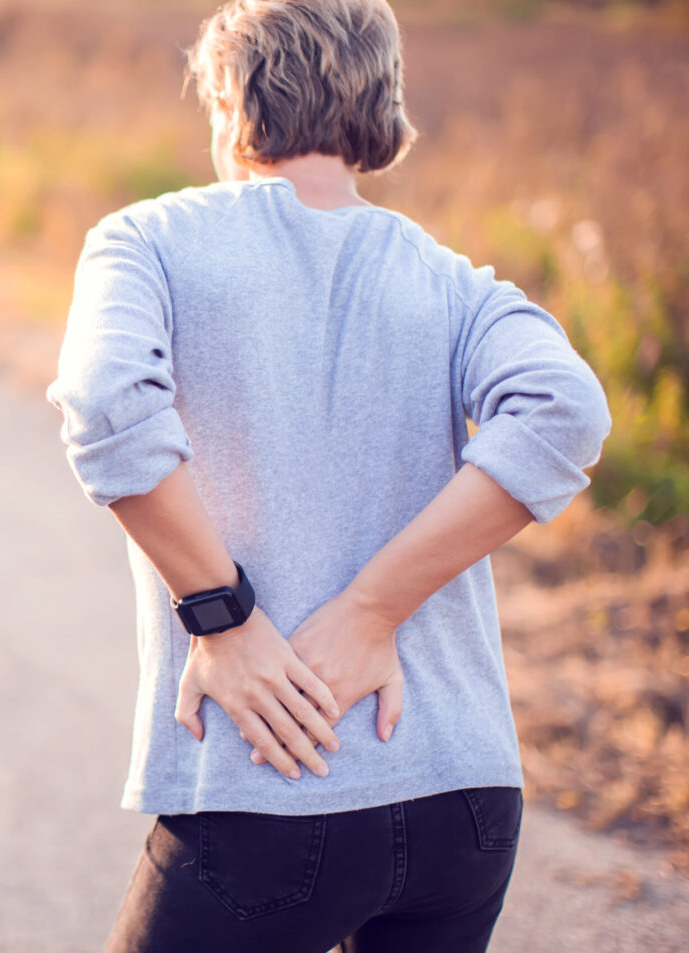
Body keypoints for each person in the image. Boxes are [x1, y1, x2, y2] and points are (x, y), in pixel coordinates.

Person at [45, 1, 611, 950]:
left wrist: (222, 617)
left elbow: (105, 405)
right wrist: (375, 611)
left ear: (229, 99)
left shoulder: (147, 241)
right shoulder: (449, 278)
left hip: (273, 791)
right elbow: (566, 410)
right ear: (379, 103)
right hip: (466, 804)